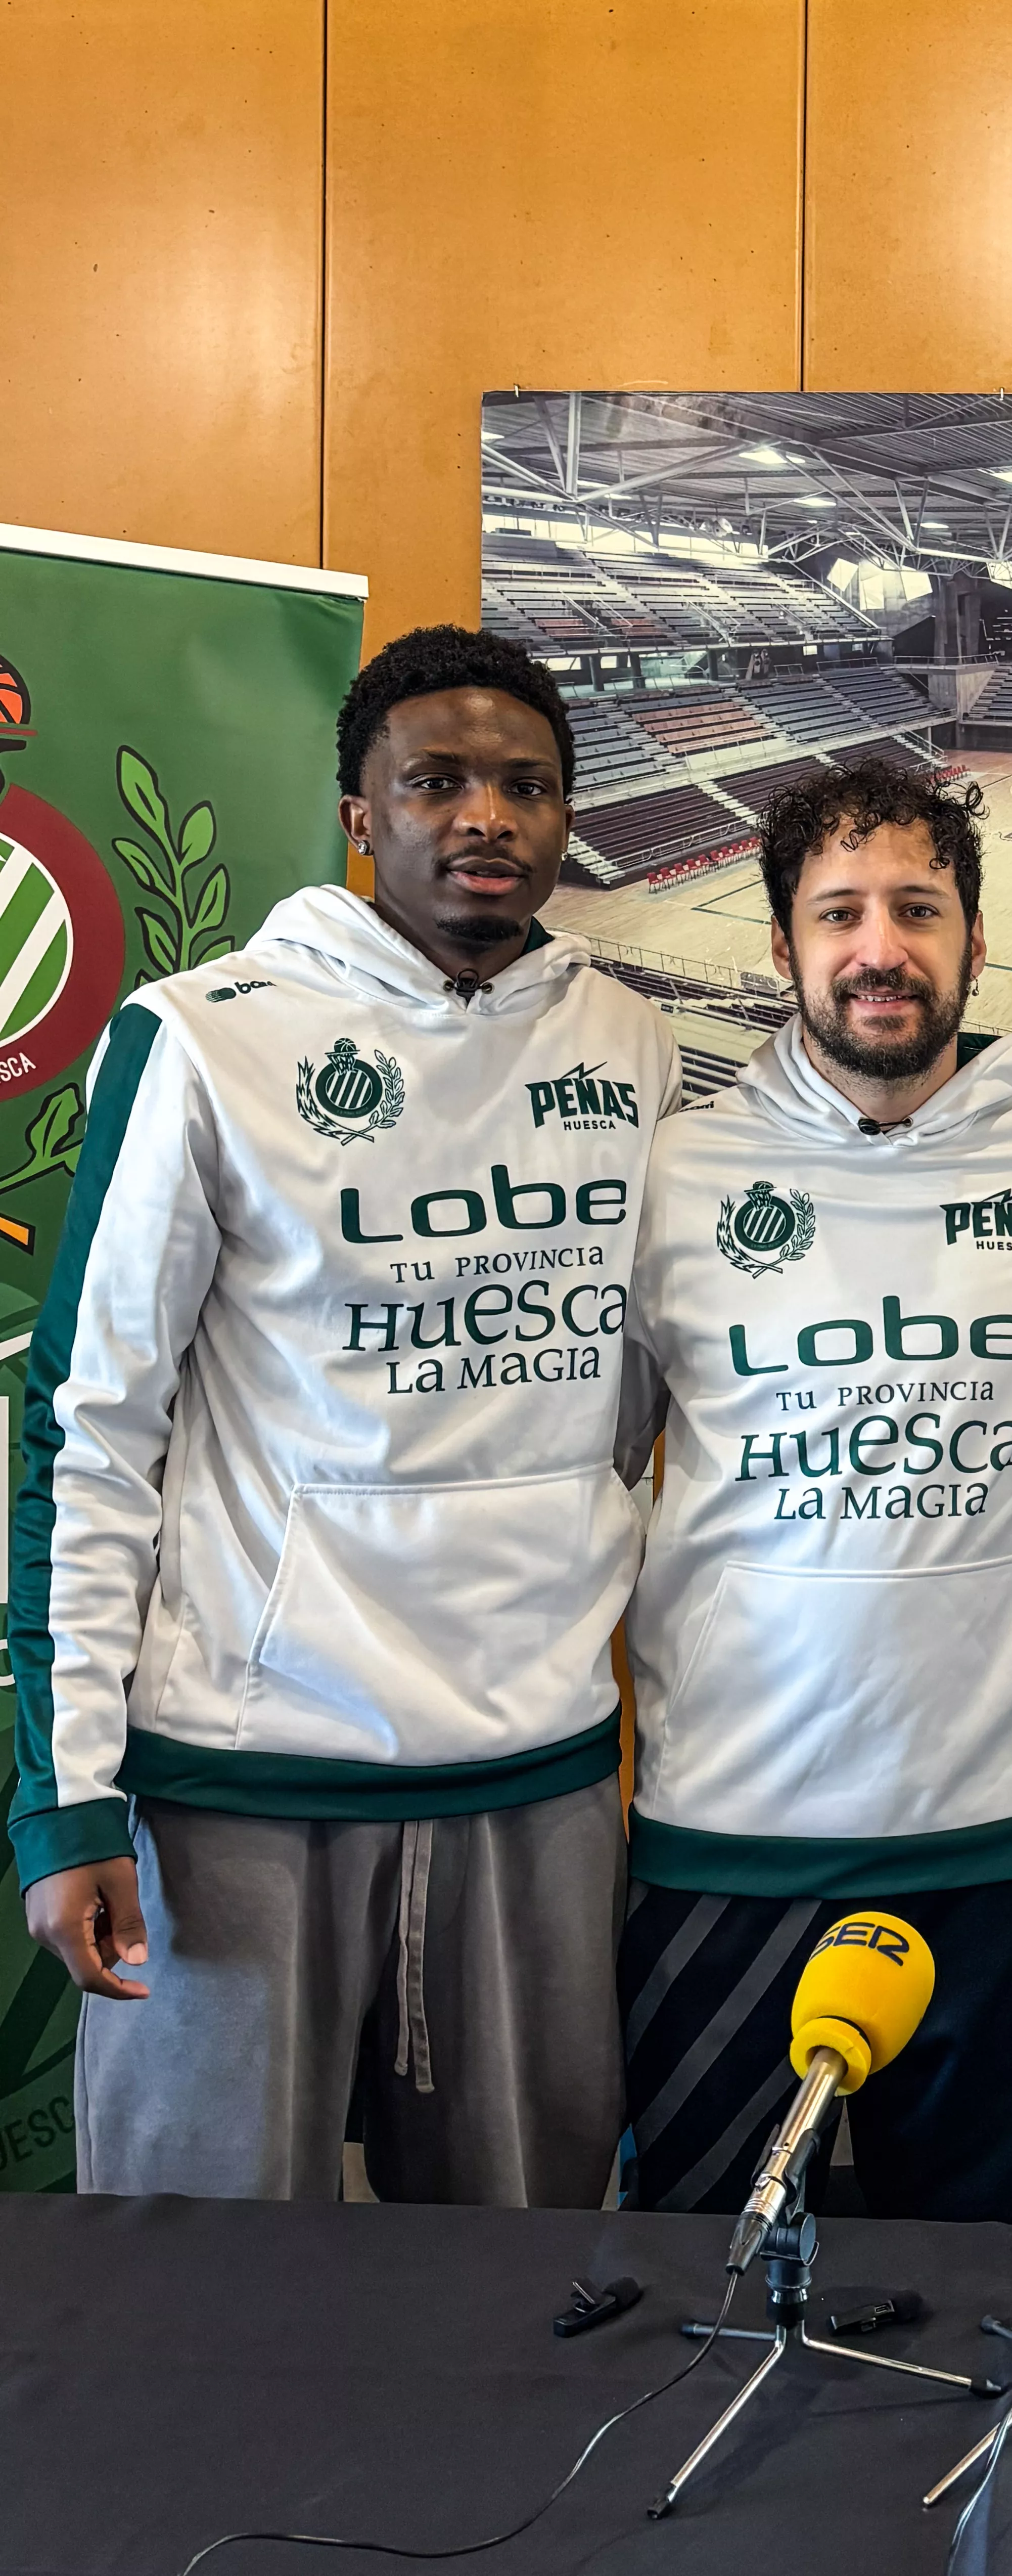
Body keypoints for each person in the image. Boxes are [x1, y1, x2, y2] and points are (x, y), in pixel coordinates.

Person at [9, 625, 680, 2204]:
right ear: (357, 813)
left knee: (524, 2289)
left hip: (536, 1767)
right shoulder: (202, 1037)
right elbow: (86, 1426)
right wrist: (69, 1795)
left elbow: (641, 1398)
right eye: (436, 780)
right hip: (244, 1773)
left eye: (526, 785)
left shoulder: (631, 1044)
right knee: (201, 2298)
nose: (486, 817)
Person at [616, 759, 1012, 2218]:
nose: (879, 948)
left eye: (917, 907)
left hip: (1005, 1826)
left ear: (971, 933)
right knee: (710, 2279)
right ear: (781, 946)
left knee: (987, 2297)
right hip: (736, 1830)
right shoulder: (679, 1174)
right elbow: (592, 1462)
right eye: (838, 912)